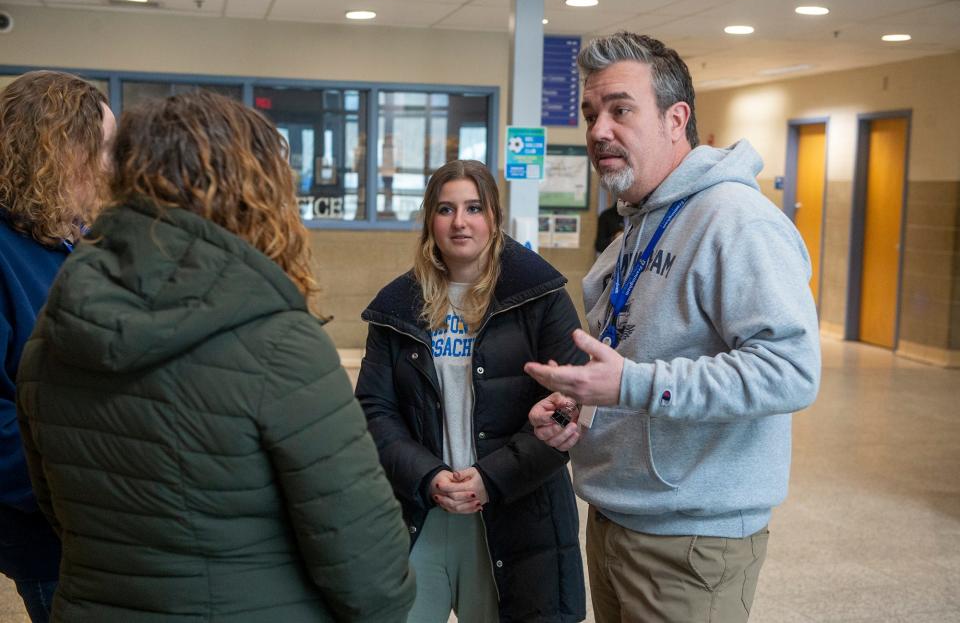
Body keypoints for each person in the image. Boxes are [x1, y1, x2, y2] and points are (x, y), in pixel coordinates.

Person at [16, 91, 415, 622]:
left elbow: (59, 510)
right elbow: (372, 575)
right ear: (253, 191)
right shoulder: (280, 344)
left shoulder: (55, 327)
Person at [525, 32, 821, 623]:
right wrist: (580, 403)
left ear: (675, 118)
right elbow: (634, 351)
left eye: (620, 109)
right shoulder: (638, 220)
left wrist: (631, 385)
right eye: (590, 114)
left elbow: (790, 373)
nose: (598, 129)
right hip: (619, 517)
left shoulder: (735, 221)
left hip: (691, 541)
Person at [355, 159, 586, 623]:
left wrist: (491, 478)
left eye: (474, 207)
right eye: (445, 209)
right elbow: (374, 410)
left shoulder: (541, 299)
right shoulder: (396, 309)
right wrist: (428, 476)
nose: (460, 222)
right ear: (429, 222)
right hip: (423, 510)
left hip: (516, 513)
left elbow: (570, 407)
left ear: (495, 217)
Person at [0, 70, 115, 623]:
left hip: (112, 525)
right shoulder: (7, 252)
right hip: (57, 534)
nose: (114, 168)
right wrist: (82, 493)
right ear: (59, 151)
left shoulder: (71, 239)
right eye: (106, 150)